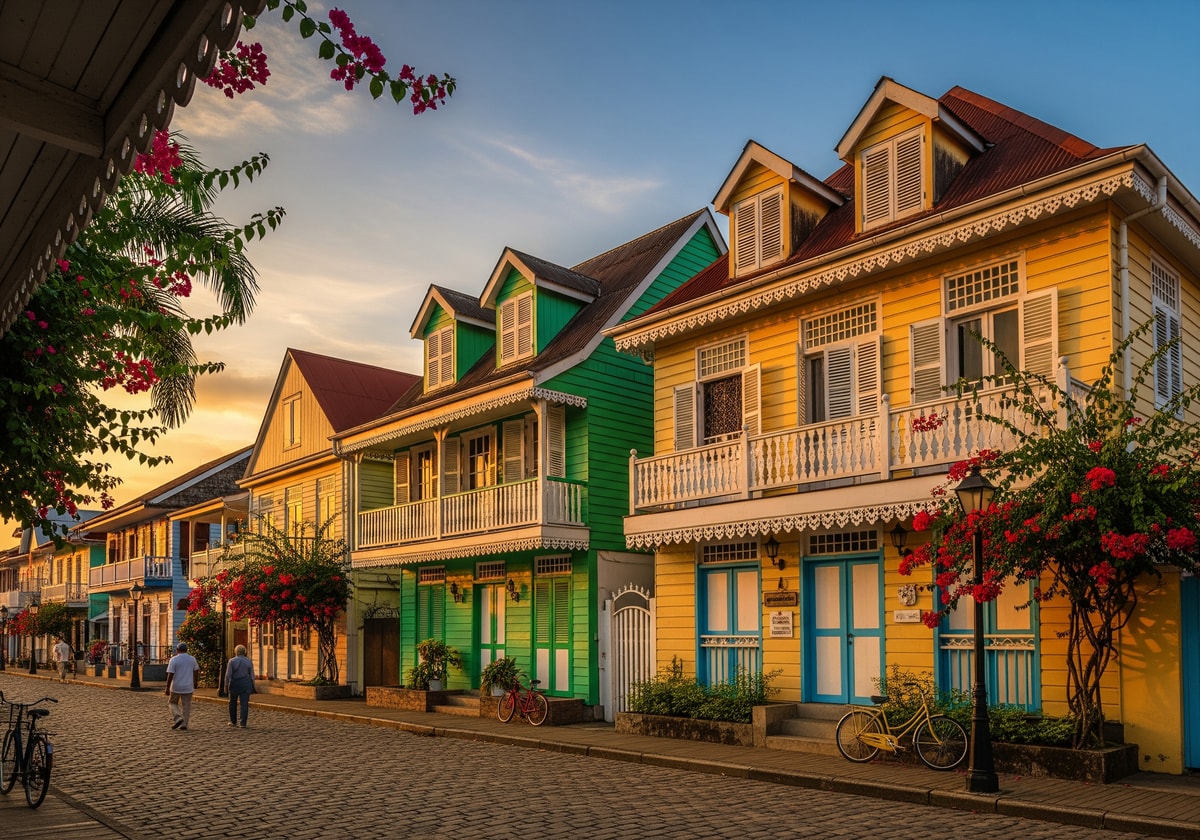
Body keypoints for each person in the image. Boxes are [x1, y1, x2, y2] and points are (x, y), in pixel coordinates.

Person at [164, 642, 200, 730]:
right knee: (186, 705)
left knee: (172, 703)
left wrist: (167, 686)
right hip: (188, 686)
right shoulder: (192, 659)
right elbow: (196, 671)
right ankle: (184, 724)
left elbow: (170, 674)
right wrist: (195, 681)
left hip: (176, 686)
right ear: (186, 650)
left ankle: (177, 717)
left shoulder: (174, 659)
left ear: (177, 650)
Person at [224, 644, 256, 728]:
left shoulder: (232, 661)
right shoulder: (248, 661)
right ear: (244, 652)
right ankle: (243, 723)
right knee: (244, 704)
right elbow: (252, 675)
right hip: (245, 683)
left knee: (232, 703)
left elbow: (228, 675)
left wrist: (226, 685)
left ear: (236, 652)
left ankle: (233, 721)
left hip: (235, 683)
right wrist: (253, 685)